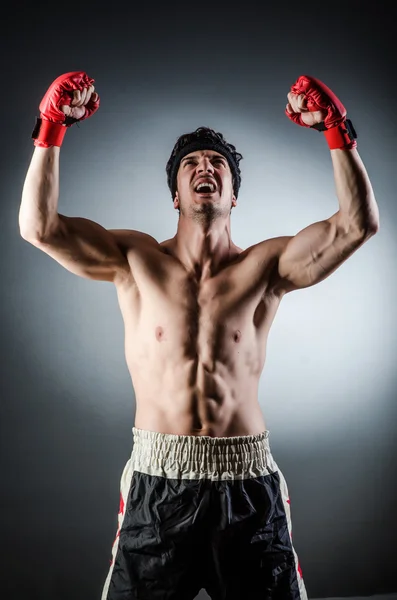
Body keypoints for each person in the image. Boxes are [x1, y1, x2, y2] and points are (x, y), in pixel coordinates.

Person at [19, 72, 380, 600]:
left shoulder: (267, 267)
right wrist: (50, 129)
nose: (205, 167)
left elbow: (357, 225)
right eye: (191, 163)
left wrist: (337, 132)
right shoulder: (136, 260)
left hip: (247, 484)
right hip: (159, 484)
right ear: (175, 196)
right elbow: (39, 227)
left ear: (234, 196)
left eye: (217, 165)